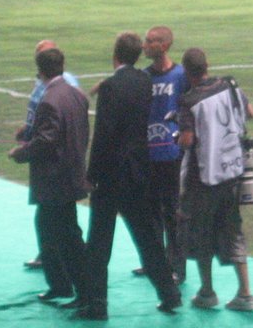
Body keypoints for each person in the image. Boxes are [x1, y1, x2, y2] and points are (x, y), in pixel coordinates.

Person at [76, 32, 181, 320]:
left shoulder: (112, 88)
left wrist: (91, 173)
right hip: (138, 171)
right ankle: (169, 293)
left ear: (115, 54)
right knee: (147, 236)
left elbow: (104, 135)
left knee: (99, 242)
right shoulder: (144, 82)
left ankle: (97, 305)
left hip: (110, 175)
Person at [176, 47, 253, 311]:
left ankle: (207, 291)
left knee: (202, 233)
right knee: (234, 230)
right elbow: (250, 112)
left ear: (187, 72)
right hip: (232, 171)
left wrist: (178, 135)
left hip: (204, 178)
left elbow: (187, 141)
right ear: (207, 65)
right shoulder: (230, 85)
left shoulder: (188, 100)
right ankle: (245, 292)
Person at [8, 47, 90, 305]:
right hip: (71, 174)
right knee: (62, 232)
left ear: (40, 70)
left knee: (62, 236)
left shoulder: (49, 99)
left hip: (56, 180)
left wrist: (21, 153)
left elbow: (47, 140)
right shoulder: (76, 94)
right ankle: (65, 286)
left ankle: (78, 288)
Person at [19, 39, 80, 271]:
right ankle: (59, 272)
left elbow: (49, 135)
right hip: (62, 166)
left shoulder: (53, 93)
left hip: (54, 168)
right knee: (59, 222)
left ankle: (63, 275)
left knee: (55, 223)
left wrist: (23, 151)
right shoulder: (61, 89)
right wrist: (27, 131)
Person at [132, 25, 187, 283]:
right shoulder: (143, 77)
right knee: (150, 210)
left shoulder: (180, 76)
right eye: (145, 40)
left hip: (173, 153)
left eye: (151, 41)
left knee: (173, 211)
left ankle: (177, 265)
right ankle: (155, 262)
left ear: (164, 45)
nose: (145, 45)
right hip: (148, 153)